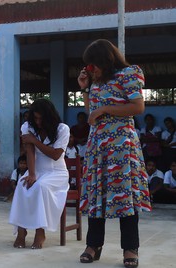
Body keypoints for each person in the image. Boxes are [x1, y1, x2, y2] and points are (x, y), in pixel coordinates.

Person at [77, 39, 151, 267]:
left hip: (121, 145)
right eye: (87, 66)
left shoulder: (128, 73)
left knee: (124, 195)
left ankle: (130, 248)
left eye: (92, 65)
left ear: (104, 59)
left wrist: (106, 108)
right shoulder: (96, 81)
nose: (90, 69)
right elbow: (91, 113)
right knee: (96, 194)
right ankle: (93, 245)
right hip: (98, 145)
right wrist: (85, 88)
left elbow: (138, 107)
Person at [8, 98, 70, 249]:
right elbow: (29, 152)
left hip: (57, 173)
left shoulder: (62, 129)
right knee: (22, 186)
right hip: (36, 169)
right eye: (35, 118)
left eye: (41, 118)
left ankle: (40, 232)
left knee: (40, 187)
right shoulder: (27, 127)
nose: (38, 122)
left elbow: (55, 155)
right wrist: (32, 174)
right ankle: (21, 232)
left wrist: (35, 141)